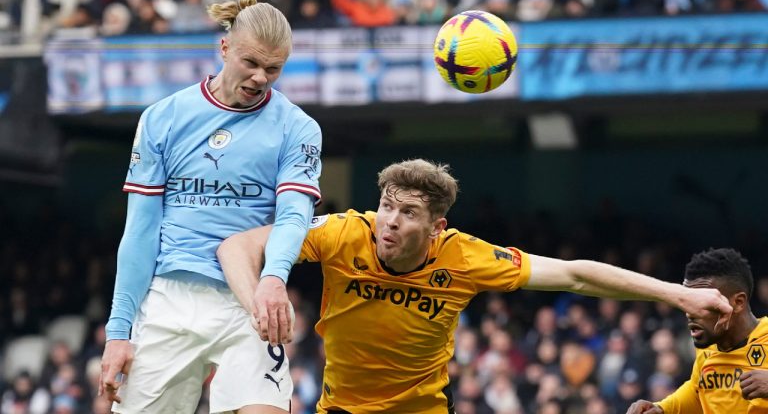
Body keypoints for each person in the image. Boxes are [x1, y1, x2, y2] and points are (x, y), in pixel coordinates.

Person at [217, 158, 732, 414]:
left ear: (436, 227)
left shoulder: (465, 257)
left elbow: (575, 273)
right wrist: (264, 291)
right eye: (387, 206)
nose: (390, 221)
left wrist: (680, 294)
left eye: (408, 212)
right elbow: (237, 247)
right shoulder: (340, 233)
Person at [99, 0, 322, 414]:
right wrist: (118, 332)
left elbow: (295, 215)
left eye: (273, 69)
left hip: (247, 297)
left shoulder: (298, 128)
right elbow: (140, 231)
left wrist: (274, 278)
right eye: (251, 63)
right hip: (168, 298)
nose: (261, 77)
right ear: (224, 48)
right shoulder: (163, 117)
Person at [627, 248, 768, 414]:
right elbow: (696, 390)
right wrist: (662, 408)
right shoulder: (708, 344)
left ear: (738, 302)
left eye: (702, 304)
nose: (689, 313)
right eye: (688, 303)